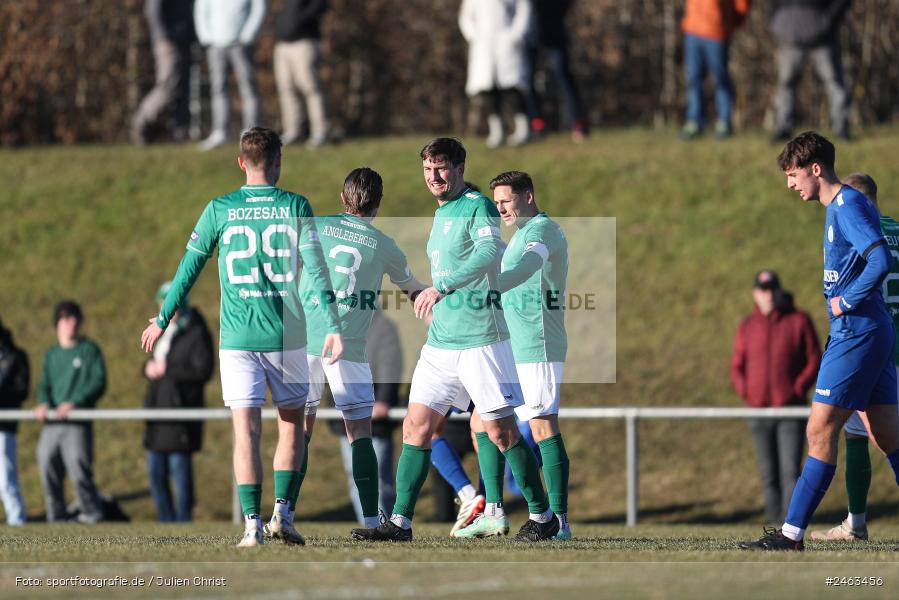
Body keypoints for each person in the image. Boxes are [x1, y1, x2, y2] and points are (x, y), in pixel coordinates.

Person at [141, 126, 342, 547]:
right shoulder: (296, 206)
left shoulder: (219, 208)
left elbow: (188, 269)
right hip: (288, 337)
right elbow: (318, 273)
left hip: (238, 340)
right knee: (290, 429)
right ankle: (282, 515)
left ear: (241, 162)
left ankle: (252, 525)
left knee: (245, 432)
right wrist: (334, 324)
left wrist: (162, 319)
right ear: (278, 163)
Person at [351, 137, 557, 542]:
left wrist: (440, 286)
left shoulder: (477, 205)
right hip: (442, 342)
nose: (434, 177)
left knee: (500, 433)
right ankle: (401, 523)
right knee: (416, 427)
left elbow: (487, 254)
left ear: (459, 167)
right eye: (428, 169)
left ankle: (543, 515)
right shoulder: (442, 211)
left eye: (442, 168)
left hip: (481, 338)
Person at [741, 132, 899, 551]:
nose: (790, 184)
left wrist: (846, 300)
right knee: (887, 435)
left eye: (793, 175)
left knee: (819, 429)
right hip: (872, 332)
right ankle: (792, 532)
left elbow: (880, 258)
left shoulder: (846, 205)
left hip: (857, 334)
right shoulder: (838, 207)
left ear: (816, 169)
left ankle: (791, 534)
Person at [292, 167, 426, 533]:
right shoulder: (384, 246)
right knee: (360, 432)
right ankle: (371, 520)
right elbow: (415, 291)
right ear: (378, 204)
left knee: (298, 429)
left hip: (304, 339)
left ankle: (282, 512)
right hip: (347, 346)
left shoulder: (315, 226)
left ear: (342, 198)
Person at [455, 170, 571, 540]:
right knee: (482, 422)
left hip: (537, 343)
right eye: (498, 202)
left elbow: (529, 267)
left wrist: (492, 285)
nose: (501, 208)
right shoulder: (520, 234)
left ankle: (560, 523)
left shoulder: (542, 231)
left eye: (507, 200)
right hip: (511, 346)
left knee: (542, 426)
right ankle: (494, 511)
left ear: (528, 196)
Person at [810, 172, 896, 542]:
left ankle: (856, 523)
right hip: (885, 344)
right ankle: (854, 523)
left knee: (863, 436)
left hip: (872, 345)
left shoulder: (852, 228)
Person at [730, 270, 821, 523]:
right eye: (762, 289)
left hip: (789, 411)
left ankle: (789, 526)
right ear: (755, 293)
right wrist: (747, 391)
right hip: (758, 412)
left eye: (771, 288)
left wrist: (797, 388)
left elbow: (814, 358)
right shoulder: (747, 326)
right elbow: (737, 365)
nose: (767, 294)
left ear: (779, 291)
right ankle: (773, 523)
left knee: (790, 471)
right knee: (768, 474)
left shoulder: (799, 320)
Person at [142, 281, 214, 522]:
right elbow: (154, 361)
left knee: (181, 476)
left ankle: (183, 523)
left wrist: (168, 368)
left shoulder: (196, 329)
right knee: (156, 475)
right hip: (158, 413)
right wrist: (148, 368)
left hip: (180, 414)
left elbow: (203, 369)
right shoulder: (164, 330)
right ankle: (165, 522)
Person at [330, 308, 404, 524]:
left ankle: (383, 524)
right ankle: (370, 524)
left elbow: (390, 366)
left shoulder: (382, 327)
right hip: (349, 413)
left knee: (379, 477)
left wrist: (383, 400)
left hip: (375, 420)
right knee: (356, 475)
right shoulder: (340, 325)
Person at [35, 301, 107, 524]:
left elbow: (98, 381)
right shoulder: (52, 355)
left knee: (79, 467)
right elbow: (43, 384)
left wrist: (75, 402)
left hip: (77, 422)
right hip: (53, 423)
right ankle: (55, 516)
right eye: (66, 318)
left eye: (75, 318)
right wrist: (43, 402)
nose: (72, 323)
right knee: (46, 462)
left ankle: (91, 512)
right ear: (58, 324)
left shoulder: (89, 350)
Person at [769, 0, 852, 142]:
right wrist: (777, 23)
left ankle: (841, 127)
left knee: (834, 82)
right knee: (786, 84)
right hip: (790, 38)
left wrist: (828, 21)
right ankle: (783, 127)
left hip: (823, 39)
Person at [459, 0, 534, 148]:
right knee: (488, 90)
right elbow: (466, 18)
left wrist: (516, 35)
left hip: (507, 42)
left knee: (513, 88)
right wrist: (474, 36)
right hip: (483, 45)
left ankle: (523, 129)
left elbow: (524, 11)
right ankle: (497, 131)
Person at [194, 0, 267, 151]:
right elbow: (201, 10)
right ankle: (220, 132)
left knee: (248, 87)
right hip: (215, 44)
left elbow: (258, 8)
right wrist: (206, 36)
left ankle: (251, 133)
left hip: (240, 43)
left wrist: (247, 34)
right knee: (218, 88)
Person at [679, 0, 750, 140]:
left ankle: (724, 122)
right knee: (693, 77)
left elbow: (742, 4)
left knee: (720, 77)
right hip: (692, 29)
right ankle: (694, 121)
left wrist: (730, 22)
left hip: (716, 31)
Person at [131, 0, 197, 145]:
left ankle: (181, 132)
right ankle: (142, 122)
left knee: (183, 89)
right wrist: (163, 35)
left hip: (185, 41)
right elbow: (153, 10)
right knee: (168, 86)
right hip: (169, 42)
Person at [526, 0, 586, 141]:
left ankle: (577, 123)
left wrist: (554, 15)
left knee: (563, 77)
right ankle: (537, 124)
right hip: (530, 32)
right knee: (527, 80)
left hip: (554, 31)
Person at [274, 0, 330, 147]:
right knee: (286, 89)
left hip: (305, 42)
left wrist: (298, 21)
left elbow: (321, 5)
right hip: (283, 43)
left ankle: (320, 132)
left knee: (310, 88)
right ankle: (292, 132)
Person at [0, 317, 29, 526]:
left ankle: (16, 520)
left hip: (3, 425)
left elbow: (21, 390)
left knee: (5, 477)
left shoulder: (15, 356)